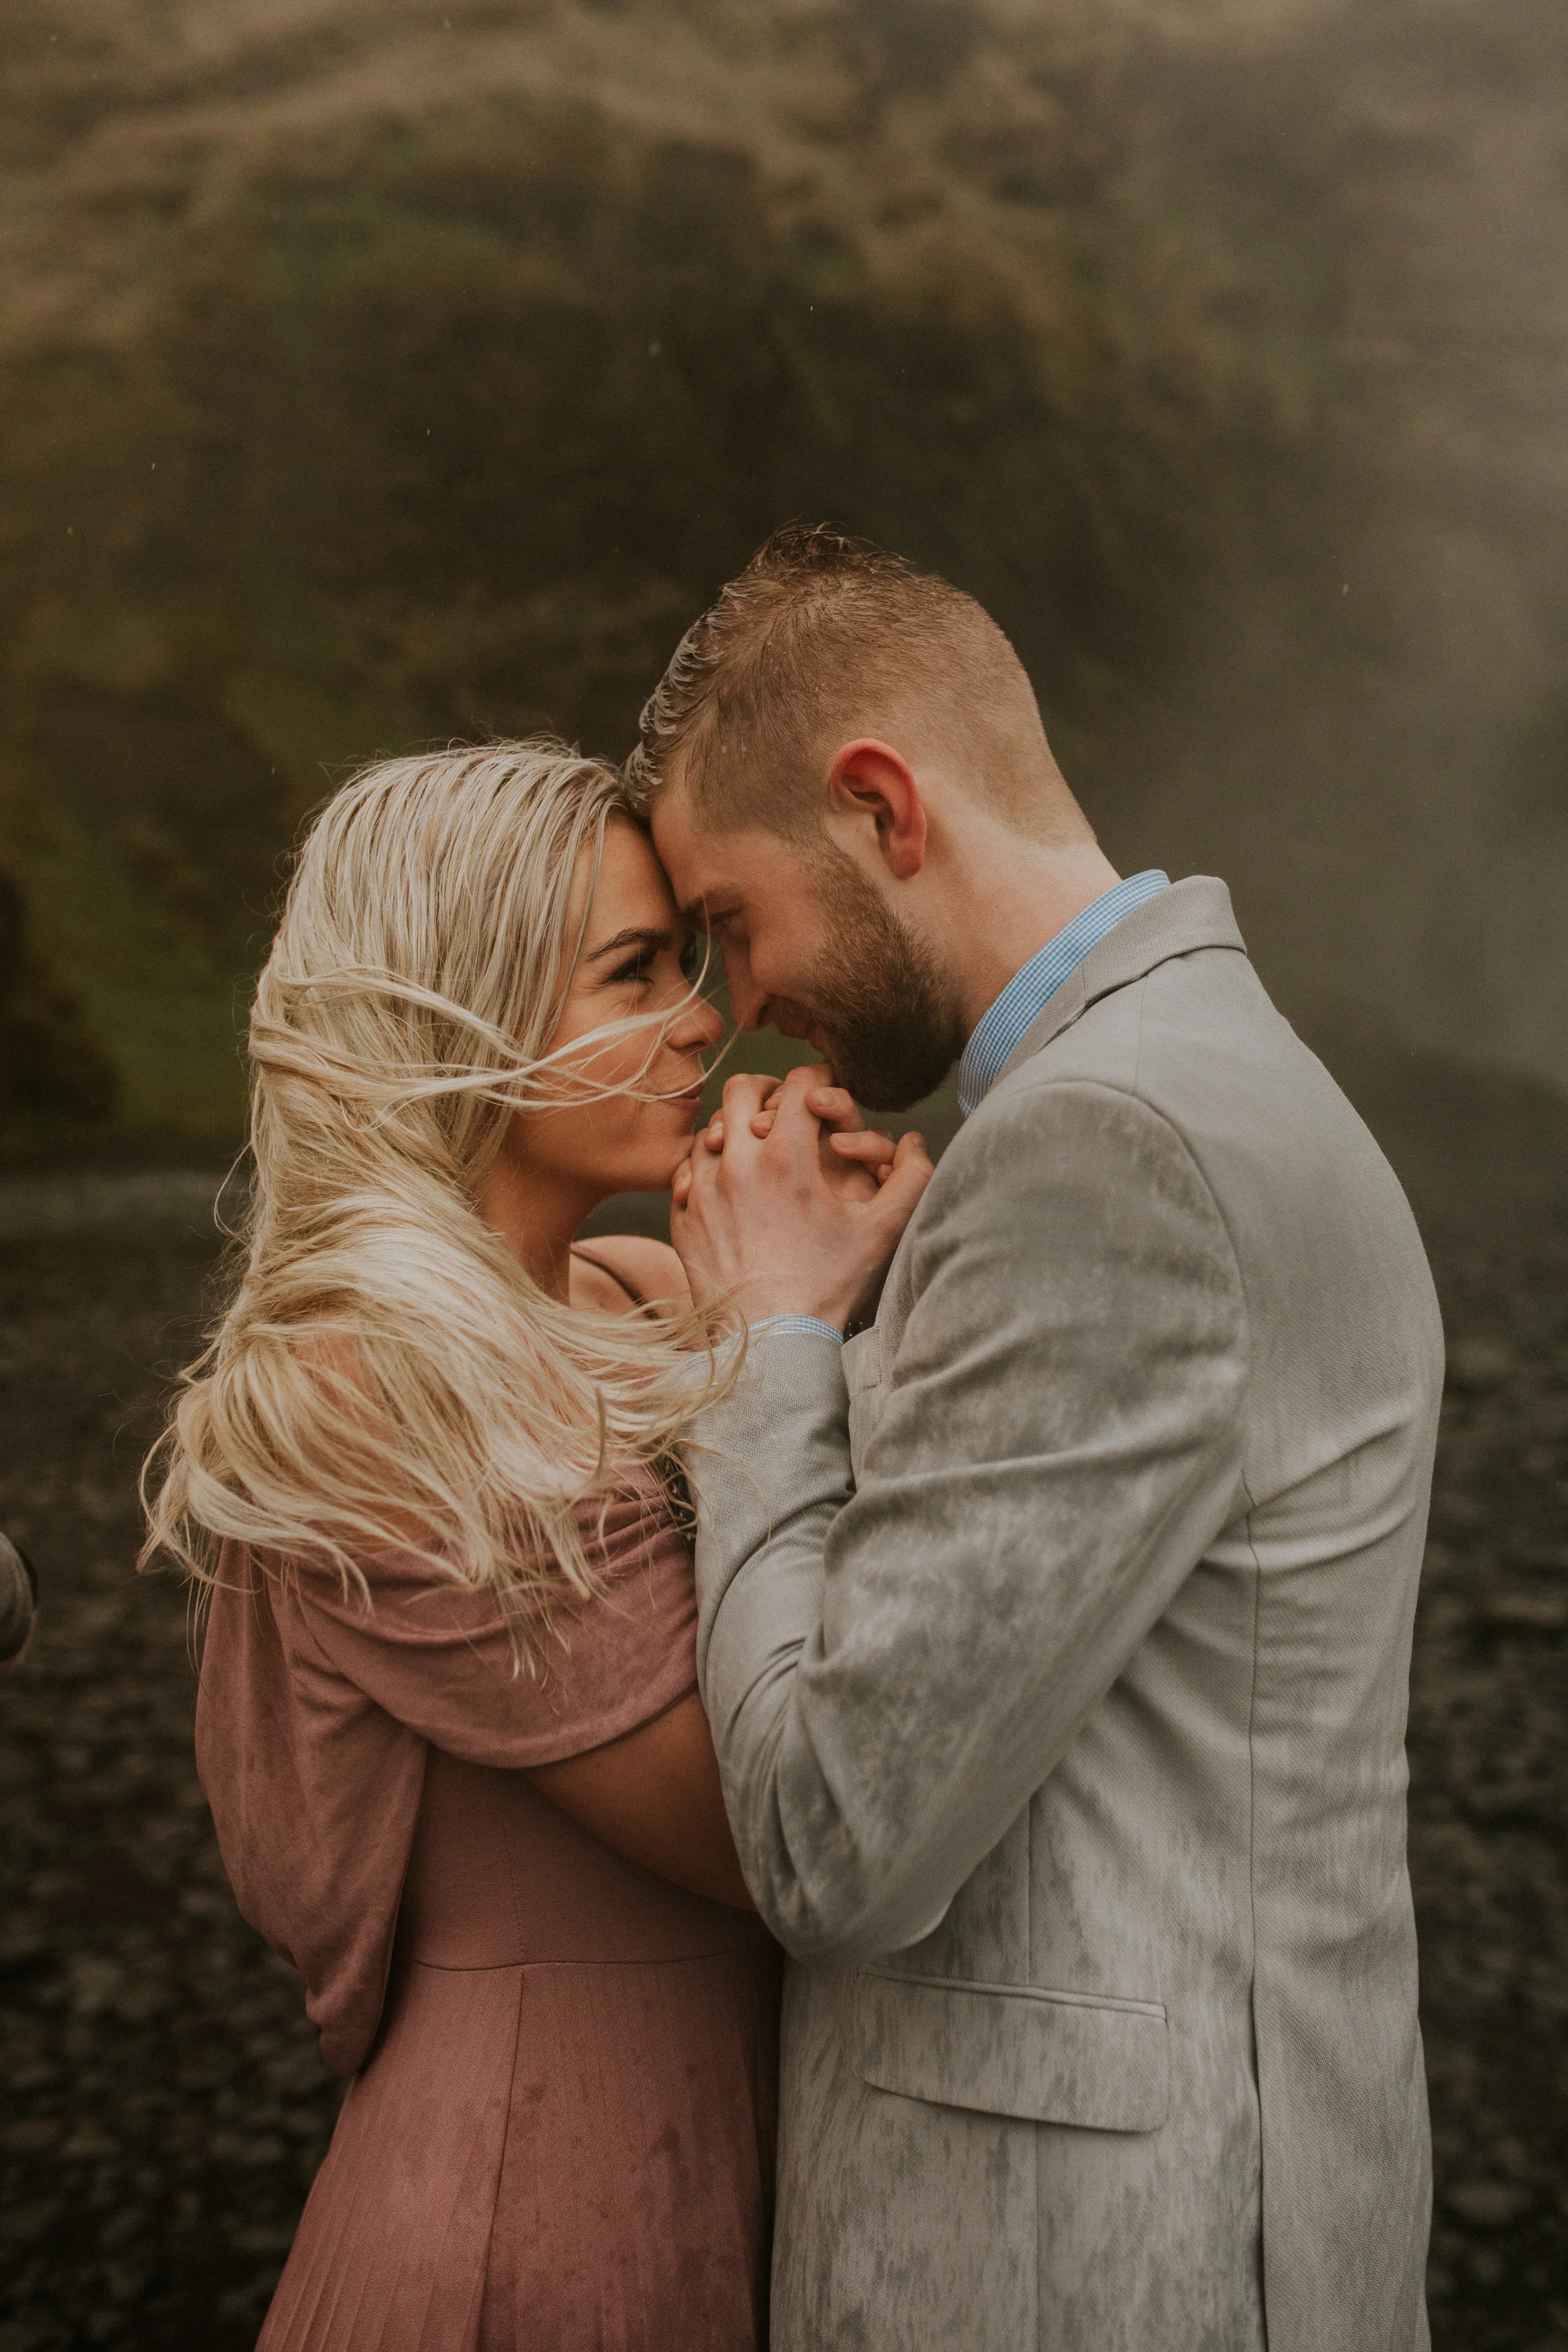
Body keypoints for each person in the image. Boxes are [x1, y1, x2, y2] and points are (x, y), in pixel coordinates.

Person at [623, 524, 1443, 2352]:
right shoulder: (1194, 1075)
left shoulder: (1104, 1143)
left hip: (1096, 2273)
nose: (734, 1005)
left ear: (878, 806)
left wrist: (770, 1337)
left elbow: (834, 1840)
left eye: (730, 920)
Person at [140, 742, 907, 2351]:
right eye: (633, 971)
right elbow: (773, 1839)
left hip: (728, 2175)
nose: (704, 1018)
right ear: (459, 1012)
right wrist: (787, 1315)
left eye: (688, 959)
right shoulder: (367, 1388)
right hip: (527, 2223)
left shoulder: (634, 1291)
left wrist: (860, 1226)